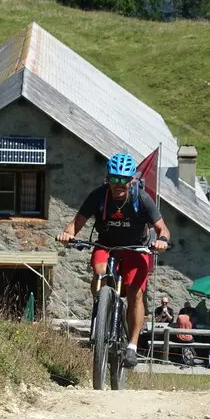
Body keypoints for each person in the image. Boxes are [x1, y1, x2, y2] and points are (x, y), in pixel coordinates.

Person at [56, 152, 170, 368]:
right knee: (99, 272)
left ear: (132, 180)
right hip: (106, 246)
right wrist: (67, 234)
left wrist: (162, 240)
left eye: (124, 180)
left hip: (136, 249)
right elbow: (75, 223)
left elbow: (162, 228)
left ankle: (132, 347)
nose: (119, 184)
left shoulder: (142, 199)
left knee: (136, 293)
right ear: (107, 178)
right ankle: (102, 307)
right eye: (114, 179)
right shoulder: (98, 196)